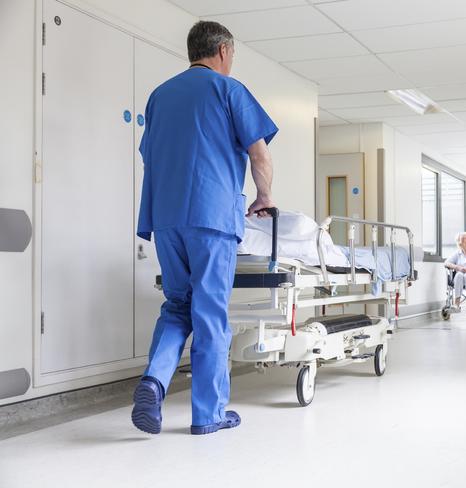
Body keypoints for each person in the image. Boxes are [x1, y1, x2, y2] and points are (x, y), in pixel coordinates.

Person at [131, 21, 278, 435]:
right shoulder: (230, 90)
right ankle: (208, 414)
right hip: (211, 218)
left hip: (165, 217)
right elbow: (260, 155)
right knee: (210, 312)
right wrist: (264, 197)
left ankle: (154, 381)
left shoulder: (160, 96)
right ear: (225, 50)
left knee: (178, 305)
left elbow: (151, 155)